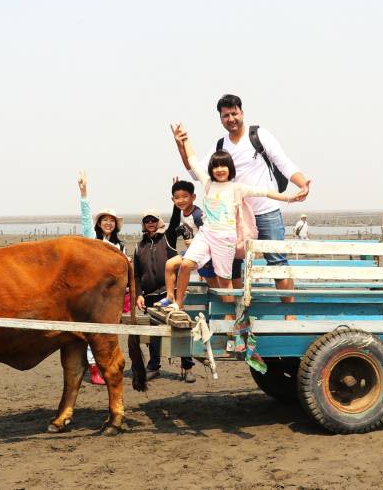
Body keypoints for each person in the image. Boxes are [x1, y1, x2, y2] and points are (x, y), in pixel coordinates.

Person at [178, 94, 311, 301]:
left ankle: (289, 313)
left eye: (234, 113)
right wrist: (181, 144)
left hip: (266, 211)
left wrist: (302, 183)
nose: (231, 118)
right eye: (225, 115)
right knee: (232, 266)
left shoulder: (259, 135)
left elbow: (283, 162)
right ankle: (240, 315)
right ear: (220, 119)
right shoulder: (221, 144)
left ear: (242, 113)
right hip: (236, 218)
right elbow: (195, 172)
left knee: (277, 262)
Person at [133, 209, 196, 383]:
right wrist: (139, 295)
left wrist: (176, 206)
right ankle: (154, 367)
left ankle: (187, 368)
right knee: (154, 334)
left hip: (171, 294)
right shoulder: (139, 246)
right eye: (147, 221)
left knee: (181, 329)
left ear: (159, 221)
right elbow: (136, 275)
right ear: (144, 224)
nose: (150, 223)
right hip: (151, 295)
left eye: (153, 220)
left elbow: (175, 221)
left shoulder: (167, 238)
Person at [78, 171, 126, 385]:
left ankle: (106, 364)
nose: (108, 223)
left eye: (111, 221)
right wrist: (83, 192)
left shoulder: (120, 246)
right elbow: (85, 217)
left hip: (112, 297)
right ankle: (94, 367)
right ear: (99, 224)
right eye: (105, 220)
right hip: (95, 294)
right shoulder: (92, 239)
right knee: (93, 330)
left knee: (110, 332)